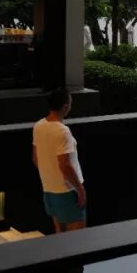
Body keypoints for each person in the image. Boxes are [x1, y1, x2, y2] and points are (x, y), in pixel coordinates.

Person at [32, 88, 87, 232]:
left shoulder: (38, 126)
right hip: (67, 193)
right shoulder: (63, 131)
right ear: (65, 106)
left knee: (60, 236)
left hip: (49, 191)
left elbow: (36, 159)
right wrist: (80, 189)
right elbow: (65, 165)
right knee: (78, 239)